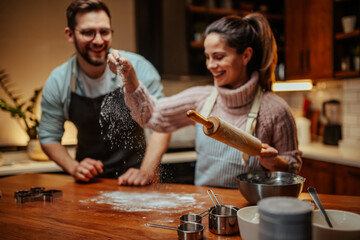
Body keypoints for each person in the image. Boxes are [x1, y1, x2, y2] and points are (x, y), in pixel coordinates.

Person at [107, 13, 302, 188]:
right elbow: (153, 116)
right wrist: (130, 78)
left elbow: (292, 170)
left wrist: (275, 163)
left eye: (218, 57)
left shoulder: (276, 110)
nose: (210, 65)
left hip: (252, 211)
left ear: (246, 55)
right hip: (206, 207)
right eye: (207, 57)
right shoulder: (201, 98)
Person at [39, 0, 171, 186]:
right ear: (70, 35)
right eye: (88, 32)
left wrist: (146, 171)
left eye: (104, 32)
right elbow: (48, 136)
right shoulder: (59, 80)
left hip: (139, 180)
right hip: (90, 184)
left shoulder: (138, 67)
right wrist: (74, 167)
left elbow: (162, 123)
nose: (98, 40)